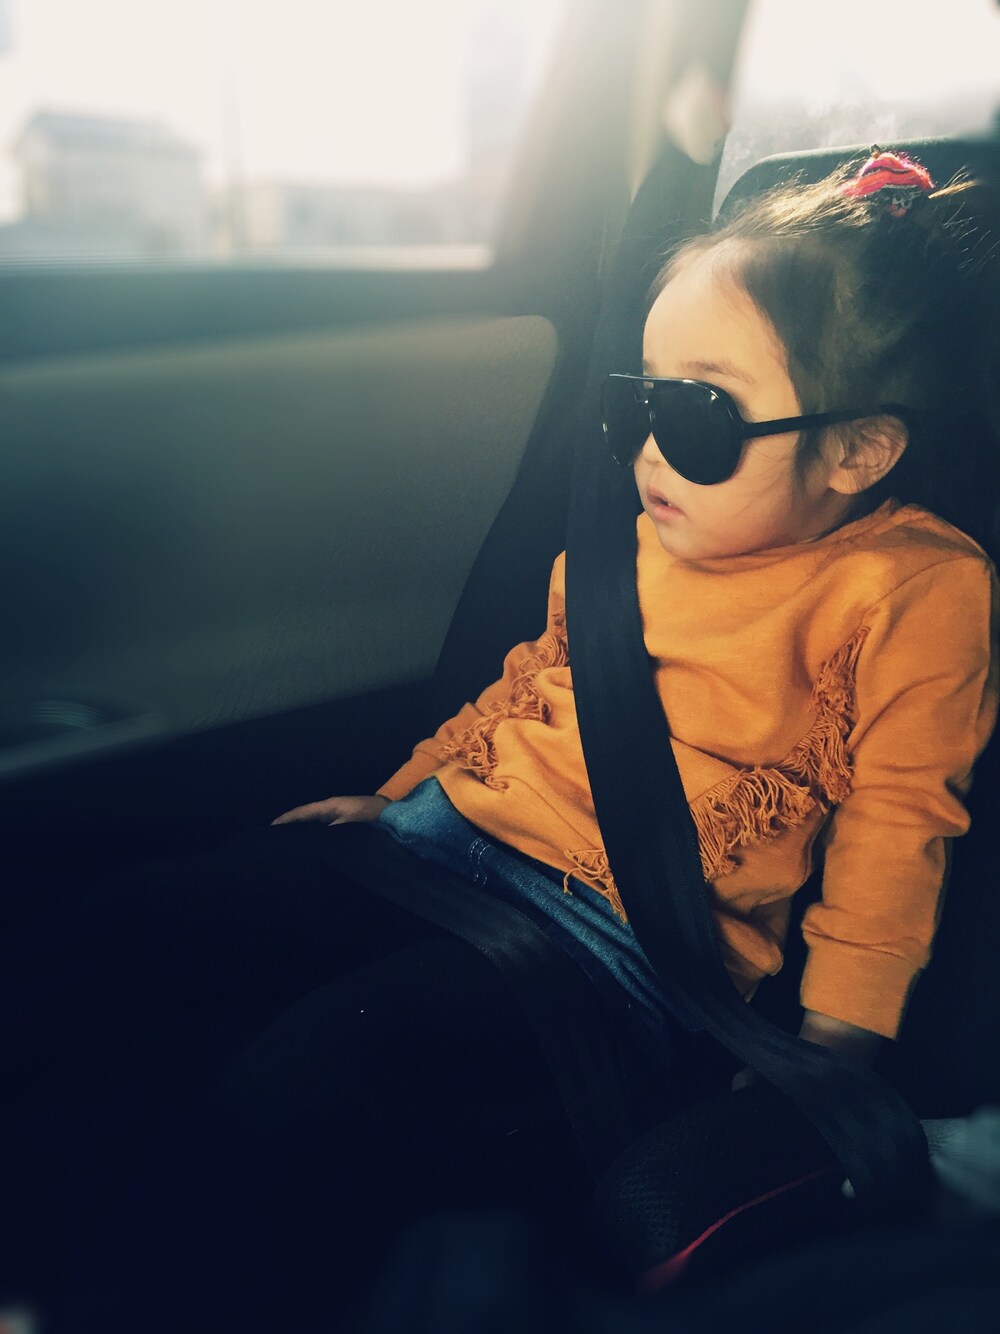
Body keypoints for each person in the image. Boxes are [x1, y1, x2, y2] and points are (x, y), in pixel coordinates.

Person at [2, 150, 997, 1332]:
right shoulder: (642, 532)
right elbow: (536, 681)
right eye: (636, 399)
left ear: (856, 451)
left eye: (695, 416)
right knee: (128, 931)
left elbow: (899, 821)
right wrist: (398, 793)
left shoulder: (915, 587)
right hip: (439, 842)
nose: (643, 448)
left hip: (610, 943)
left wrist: (834, 1045)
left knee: (310, 1076)